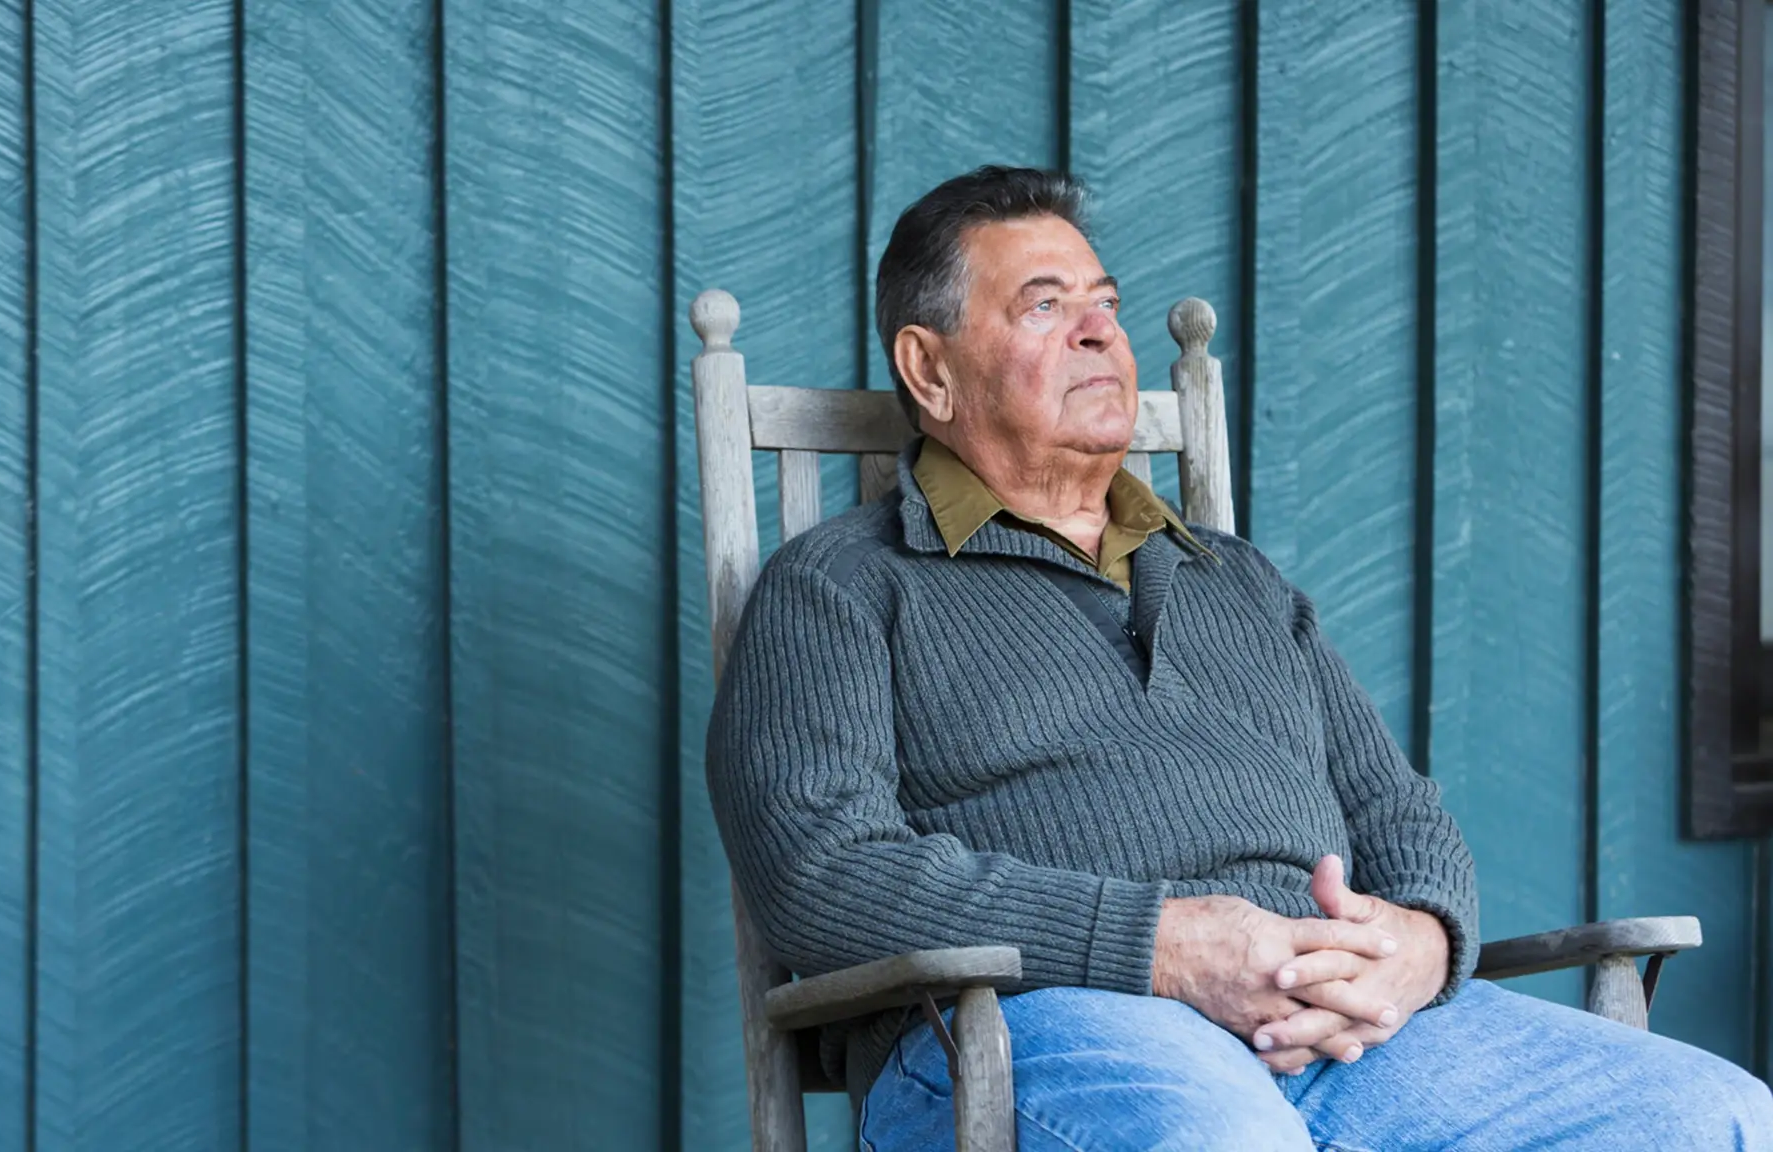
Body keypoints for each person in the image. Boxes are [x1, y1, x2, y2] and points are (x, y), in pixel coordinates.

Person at [707, 164, 1773, 1149]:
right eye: (1045, 306)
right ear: (927, 371)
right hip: (1034, 1025)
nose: (1099, 335)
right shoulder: (842, 585)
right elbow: (823, 875)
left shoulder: (1237, 582)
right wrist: (1163, 944)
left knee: (1712, 1117)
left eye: (1107, 305)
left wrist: (1417, 945)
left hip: (1346, 1033)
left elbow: (1398, 816)